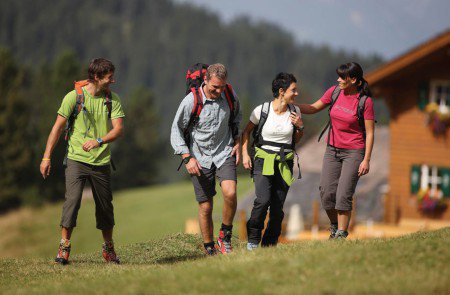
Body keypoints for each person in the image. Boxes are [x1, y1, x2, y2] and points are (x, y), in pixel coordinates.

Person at [40, 58, 125, 264]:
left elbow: (118, 129)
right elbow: (57, 128)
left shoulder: (111, 99)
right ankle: (64, 248)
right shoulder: (74, 97)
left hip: (101, 161)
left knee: (105, 207)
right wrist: (46, 157)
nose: (112, 81)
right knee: (72, 202)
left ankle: (108, 249)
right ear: (96, 77)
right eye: (109, 77)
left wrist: (99, 141)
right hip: (76, 159)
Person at [170, 63, 242, 255]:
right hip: (199, 156)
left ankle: (224, 236)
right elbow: (175, 130)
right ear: (206, 81)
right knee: (206, 206)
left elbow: (236, 119)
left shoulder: (229, 95)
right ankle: (209, 247)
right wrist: (187, 158)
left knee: (230, 192)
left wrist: (236, 140)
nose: (219, 91)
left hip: (224, 151)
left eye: (222, 87)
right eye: (214, 87)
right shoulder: (190, 101)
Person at [298, 62, 375, 239]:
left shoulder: (365, 101)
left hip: (354, 152)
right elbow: (313, 107)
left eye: (342, 77)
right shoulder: (334, 92)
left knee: (343, 195)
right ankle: (334, 225)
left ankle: (341, 234)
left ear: (354, 80)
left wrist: (367, 159)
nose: (338, 79)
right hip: (332, 150)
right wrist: (291, 105)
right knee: (326, 193)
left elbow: (370, 133)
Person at [242, 72, 303, 250]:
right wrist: (245, 155)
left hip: (285, 162)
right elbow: (246, 132)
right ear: (282, 91)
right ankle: (253, 241)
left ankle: (269, 245)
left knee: (277, 208)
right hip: (263, 160)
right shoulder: (261, 111)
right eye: (294, 90)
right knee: (262, 201)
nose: (296, 93)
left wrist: (300, 126)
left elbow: (296, 139)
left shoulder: (295, 111)